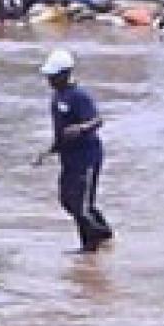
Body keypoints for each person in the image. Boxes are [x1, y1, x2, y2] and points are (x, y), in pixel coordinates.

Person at [41, 49, 114, 253]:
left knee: (82, 204)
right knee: (67, 200)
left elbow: (98, 120)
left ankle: (92, 245)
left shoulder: (79, 96)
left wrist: (81, 128)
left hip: (86, 157)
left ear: (65, 74)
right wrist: (50, 150)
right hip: (69, 158)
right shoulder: (58, 97)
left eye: (53, 76)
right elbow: (61, 131)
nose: (49, 80)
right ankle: (102, 234)